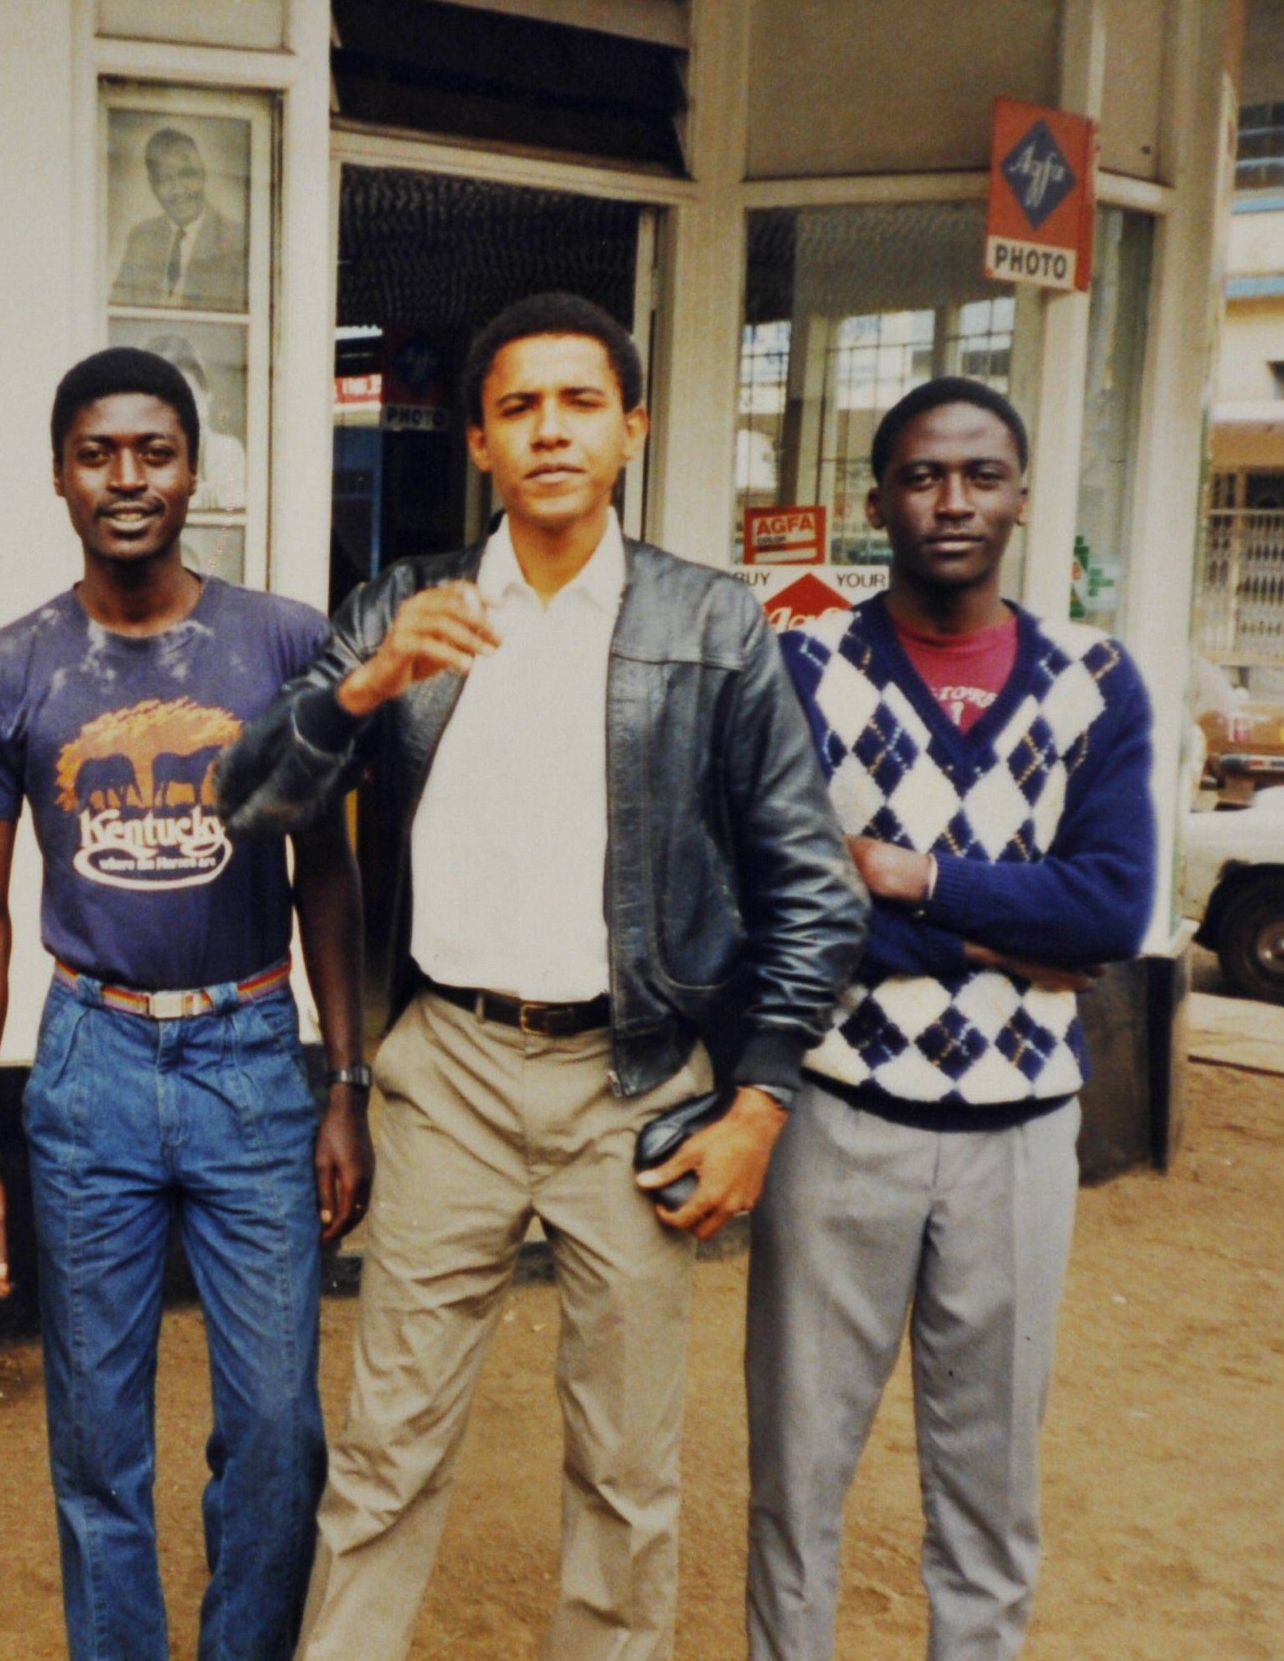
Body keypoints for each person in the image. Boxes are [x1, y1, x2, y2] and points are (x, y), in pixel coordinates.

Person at [218, 293, 867, 1660]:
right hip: (447, 1069)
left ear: (632, 427)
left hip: (635, 1086)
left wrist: (756, 1102)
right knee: (387, 1452)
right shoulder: (409, 606)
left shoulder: (710, 621)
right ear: (479, 442)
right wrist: (353, 692)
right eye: (519, 407)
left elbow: (814, 888)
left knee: (628, 1474)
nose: (551, 430)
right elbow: (250, 804)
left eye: (581, 403)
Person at [0, 347, 366, 1661]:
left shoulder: (282, 640)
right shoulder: (5, 671)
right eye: (99, 453)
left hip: (248, 1057)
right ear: (61, 473)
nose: (128, 479)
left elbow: (326, 871)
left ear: (194, 469)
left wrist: (344, 1084)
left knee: (280, 1426)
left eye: (155, 452)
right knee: (97, 1438)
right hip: (90, 1058)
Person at [759, 377, 1155, 1661]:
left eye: (981, 475)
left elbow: (1109, 909)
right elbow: (782, 900)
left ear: (1023, 498)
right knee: (796, 1484)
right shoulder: (807, 667)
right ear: (878, 499)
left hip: (1022, 1142)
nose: (952, 501)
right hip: (834, 1121)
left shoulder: (1095, 681)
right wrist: (1007, 936)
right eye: (923, 476)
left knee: (989, 1498)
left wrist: (914, 878)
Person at [112, 127, 246, 312]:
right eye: (164, 180)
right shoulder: (141, 238)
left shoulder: (237, 240)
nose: (177, 190)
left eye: (186, 175)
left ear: (203, 174)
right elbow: (118, 315)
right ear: (152, 185)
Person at [140, 334, 250, 511]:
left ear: (207, 396)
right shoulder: (139, 455)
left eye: (189, 400)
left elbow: (235, 504)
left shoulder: (228, 450)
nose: (181, 414)